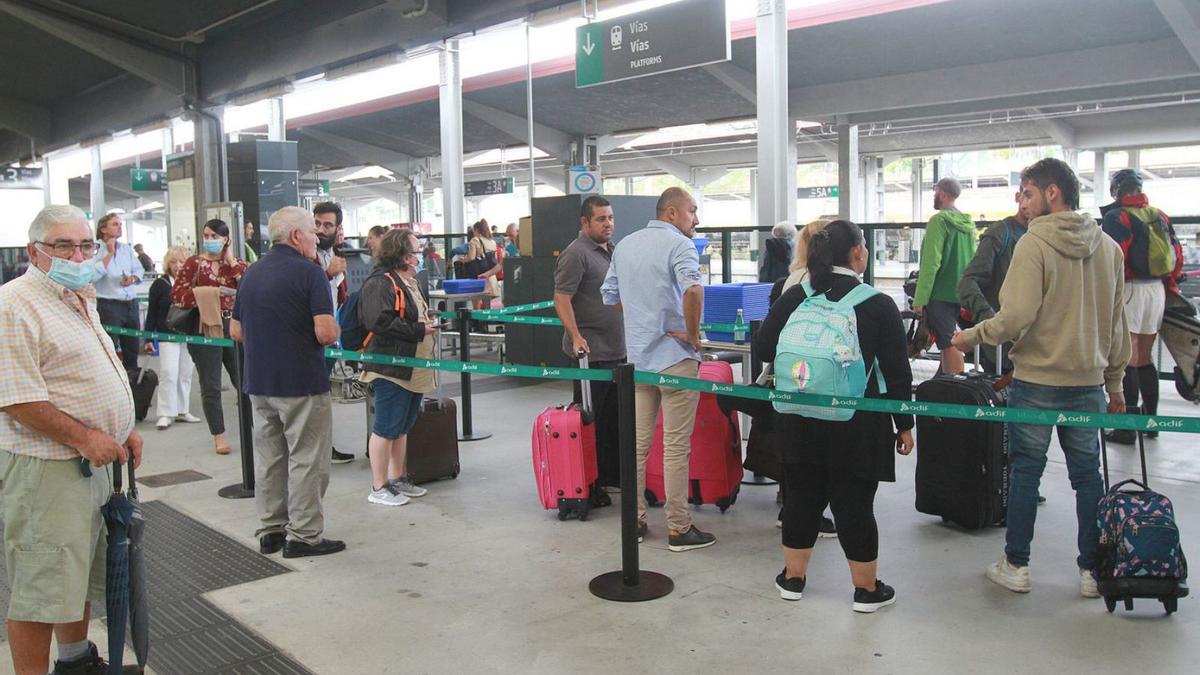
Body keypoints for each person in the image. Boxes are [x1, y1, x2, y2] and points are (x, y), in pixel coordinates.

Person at [951, 158, 1130, 598]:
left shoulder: (1034, 245)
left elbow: (1015, 317)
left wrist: (967, 337)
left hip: (1036, 382)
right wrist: (1115, 383)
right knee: (1088, 478)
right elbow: (1116, 323)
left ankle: (1017, 565)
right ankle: (1092, 572)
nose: (1022, 204)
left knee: (1027, 473)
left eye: (1027, 193)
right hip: (1088, 383)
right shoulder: (1109, 249)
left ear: (1052, 193)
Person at [0, 204, 143, 675]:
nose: (78, 253)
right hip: (48, 469)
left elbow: (83, 374)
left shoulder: (77, 294)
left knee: (74, 572)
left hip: (91, 461)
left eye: (85, 244)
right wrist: (84, 438)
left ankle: (75, 660)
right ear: (34, 251)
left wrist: (123, 428)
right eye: (63, 245)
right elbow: (17, 399)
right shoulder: (15, 304)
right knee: (39, 588)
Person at [755, 219, 914, 613]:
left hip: (797, 413)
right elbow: (897, 372)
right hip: (857, 421)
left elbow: (763, 348)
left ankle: (792, 580)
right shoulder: (877, 303)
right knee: (855, 504)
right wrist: (905, 425)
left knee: (801, 497)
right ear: (858, 252)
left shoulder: (796, 295)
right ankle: (866, 590)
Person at [601, 187, 715, 552]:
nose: (696, 220)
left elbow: (611, 297)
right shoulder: (680, 245)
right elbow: (694, 292)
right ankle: (679, 528)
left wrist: (642, 319)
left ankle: (633, 522)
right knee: (676, 446)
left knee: (636, 446)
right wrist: (693, 335)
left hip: (637, 361)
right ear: (671, 213)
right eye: (692, 211)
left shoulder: (626, 245)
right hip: (676, 357)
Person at [231, 206, 345, 559]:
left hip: (259, 381)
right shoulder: (310, 273)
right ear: (297, 236)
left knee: (270, 457)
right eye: (313, 231)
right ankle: (304, 536)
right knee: (307, 458)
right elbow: (325, 333)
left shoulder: (251, 273)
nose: (317, 237)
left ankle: (271, 529)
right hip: (301, 383)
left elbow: (236, 330)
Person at [1100, 169, 1183, 444]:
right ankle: (1151, 422)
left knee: (1127, 356)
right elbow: (1177, 254)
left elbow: (1113, 257)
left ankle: (1126, 428)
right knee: (1145, 357)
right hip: (1157, 289)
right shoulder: (1160, 215)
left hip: (1131, 289)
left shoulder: (1116, 217)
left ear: (1116, 191)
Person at [358, 229, 439, 506]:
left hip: (412, 367)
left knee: (403, 425)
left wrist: (425, 325)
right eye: (416, 251)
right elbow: (378, 322)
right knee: (385, 427)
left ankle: (397, 478)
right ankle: (378, 486)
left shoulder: (410, 281)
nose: (420, 255)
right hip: (390, 367)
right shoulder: (380, 283)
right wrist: (419, 329)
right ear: (403, 255)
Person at [767, 218, 837, 538]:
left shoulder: (792, 278)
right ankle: (809, 511)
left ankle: (791, 503)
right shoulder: (821, 282)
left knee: (795, 445)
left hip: (787, 374)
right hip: (818, 375)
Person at [554, 195, 627, 488]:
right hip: (591, 355)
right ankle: (589, 481)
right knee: (591, 422)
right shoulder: (576, 253)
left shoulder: (611, 250)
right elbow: (561, 299)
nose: (608, 223)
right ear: (585, 222)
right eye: (601, 219)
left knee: (613, 422)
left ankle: (611, 476)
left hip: (616, 351)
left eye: (610, 218)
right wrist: (576, 337)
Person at [171, 219, 248, 455]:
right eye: (206, 235)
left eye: (215, 236)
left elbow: (248, 287)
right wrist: (209, 295)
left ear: (226, 239)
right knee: (211, 384)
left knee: (245, 380)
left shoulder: (237, 265)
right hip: (204, 327)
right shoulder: (195, 263)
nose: (210, 240)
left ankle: (252, 428)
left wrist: (231, 260)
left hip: (233, 326)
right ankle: (219, 435)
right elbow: (177, 294)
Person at [957, 190, 1029, 374]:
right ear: (1017, 196)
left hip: (1032, 345)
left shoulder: (1043, 235)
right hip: (1002, 347)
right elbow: (969, 280)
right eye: (1027, 194)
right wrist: (988, 318)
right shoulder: (1001, 232)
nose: (1029, 203)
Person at [913, 177, 975, 375]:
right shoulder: (967, 224)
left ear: (942, 194)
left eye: (935, 192)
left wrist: (920, 298)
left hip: (940, 293)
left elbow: (931, 263)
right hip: (963, 291)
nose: (934, 196)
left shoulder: (939, 221)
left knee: (948, 343)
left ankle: (953, 391)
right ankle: (951, 384)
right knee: (955, 340)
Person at [312, 202, 354, 465]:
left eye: (327, 224)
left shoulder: (336, 254)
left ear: (338, 228)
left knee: (322, 397)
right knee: (311, 399)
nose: (320, 229)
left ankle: (324, 446)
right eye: (316, 223)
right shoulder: (305, 255)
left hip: (330, 336)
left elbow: (339, 297)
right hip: (310, 338)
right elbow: (302, 288)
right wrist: (328, 273)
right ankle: (315, 450)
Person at [144, 246, 201, 430]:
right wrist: (148, 339)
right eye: (174, 262)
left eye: (181, 261)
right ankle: (165, 413)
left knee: (185, 373)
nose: (177, 265)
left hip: (188, 334)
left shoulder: (193, 283)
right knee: (168, 373)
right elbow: (151, 313)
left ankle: (182, 410)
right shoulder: (159, 285)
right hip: (166, 334)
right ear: (168, 264)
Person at [92, 212, 143, 370]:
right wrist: (109, 253)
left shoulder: (126, 249)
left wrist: (133, 278)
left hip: (130, 304)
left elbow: (139, 269)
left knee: (132, 348)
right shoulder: (95, 249)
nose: (120, 227)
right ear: (103, 229)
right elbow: (92, 275)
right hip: (109, 306)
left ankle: (132, 382)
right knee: (109, 348)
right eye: (115, 224)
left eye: (120, 224)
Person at [465, 219, 501, 309]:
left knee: (476, 306)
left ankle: (477, 322)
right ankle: (485, 322)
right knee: (487, 307)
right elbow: (495, 259)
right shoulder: (492, 241)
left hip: (479, 276)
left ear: (477, 230)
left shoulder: (475, 240)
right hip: (491, 276)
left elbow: (471, 258)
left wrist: (463, 260)